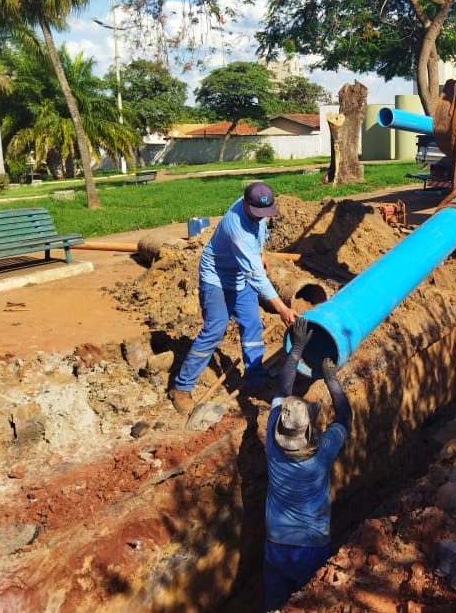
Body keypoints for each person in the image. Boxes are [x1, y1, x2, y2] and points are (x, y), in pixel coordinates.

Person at [168, 181, 297, 413]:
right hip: (216, 278)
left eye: (264, 213)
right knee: (214, 330)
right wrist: (282, 309)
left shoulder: (258, 209)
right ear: (245, 203)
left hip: (240, 276)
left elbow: (260, 232)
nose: (261, 217)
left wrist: (260, 253)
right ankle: (181, 387)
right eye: (257, 213)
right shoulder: (236, 228)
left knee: (252, 325)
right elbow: (257, 278)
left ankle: (255, 378)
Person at [264, 318, 351, 612]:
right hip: (310, 548)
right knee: (307, 602)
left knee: (275, 603)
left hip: (275, 542)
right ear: (309, 431)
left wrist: (297, 348)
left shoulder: (273, 444)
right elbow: (344, 419)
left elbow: (282, 388)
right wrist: (331, 379)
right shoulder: (320, 455)